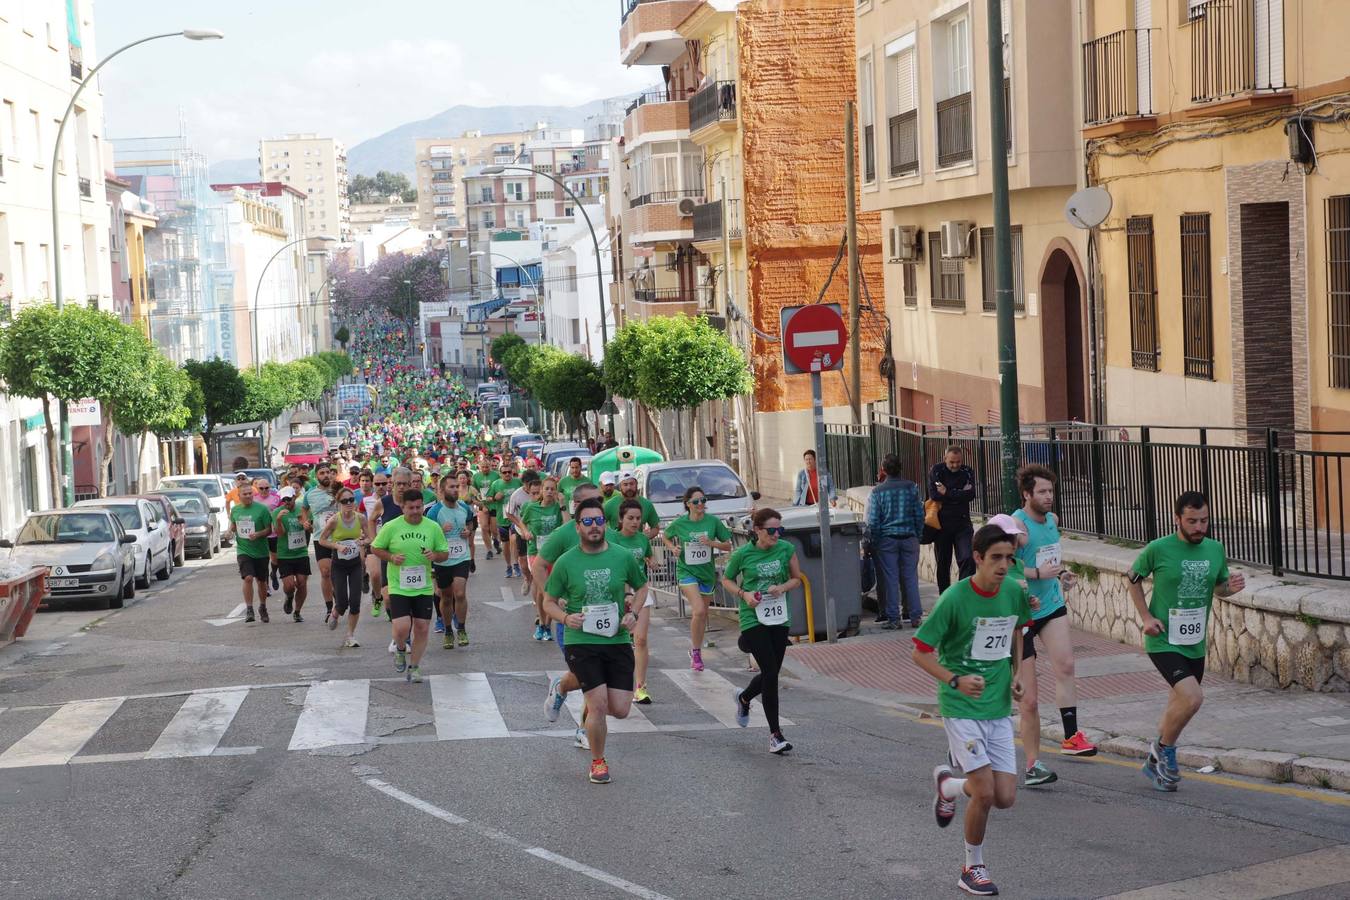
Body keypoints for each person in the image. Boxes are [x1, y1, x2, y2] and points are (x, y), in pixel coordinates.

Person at [915, 524, 1032, 898]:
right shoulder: (954, 599)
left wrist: (1015, 674)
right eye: (995, 558)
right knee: (983, 794)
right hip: (961, 706)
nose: (1003, 565)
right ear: (977, 558)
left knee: (1005, 798)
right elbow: (919, 652)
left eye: (1009, 558)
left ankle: (948, 786)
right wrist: (954, 681)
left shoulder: (1013, 591)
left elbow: (1017, 632)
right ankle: (972, 867)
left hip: (997, 707)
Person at [1129, 491, 1245, 792]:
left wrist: (1230, 588)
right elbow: (1131, 578)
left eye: (1204, 521)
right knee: (1193, 698)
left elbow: (1219, 589)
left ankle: (1153, 765)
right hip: (1163, 640)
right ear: (1177, 519)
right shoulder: (1158, 549)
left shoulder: (1215, 549)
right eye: (1192, 521)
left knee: (1178, 706)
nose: (1199, 527)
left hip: (1194, 641)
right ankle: (1165, 751)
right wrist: (1145, 618)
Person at [542, 496, 648, 784]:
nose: (594, 526)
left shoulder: (622, 556)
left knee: (620, 709)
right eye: (587, 521)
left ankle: (563, 684)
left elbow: (641, 587)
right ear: (577, 527)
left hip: (615, 639)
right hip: (582, 640)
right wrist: (565, 619)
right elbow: (549, 601)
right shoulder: (566, 562)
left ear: (605, 524)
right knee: (598, 705)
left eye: (598, 521)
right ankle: (598, 762)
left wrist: (634, 614)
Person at [1008, 465, 1096, 790]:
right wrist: (1036, 575)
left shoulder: (1053, 521)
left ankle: (1071, 735)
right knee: (1028, 700)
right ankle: (1032, 764)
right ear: (1027, 494)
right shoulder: (1018, 526)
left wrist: (1061, 575)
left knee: (1067, 665)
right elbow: (1007, 566)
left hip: (1052, 603)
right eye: (1042, 492)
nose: (1048, 497)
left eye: (1051, 491)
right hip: (1022, 615)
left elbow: (1050, 560)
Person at [723, 507, 802, 754]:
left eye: (780, 529)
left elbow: (796, 579)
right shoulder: (743, 554)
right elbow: (726, 579)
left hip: (779, 616)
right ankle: (775, 735)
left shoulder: (786, 549)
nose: (777, 534)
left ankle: (744, 698)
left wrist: (783, 587)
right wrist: (744, 594)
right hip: (752, 617)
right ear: (757, 531)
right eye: (771, 530)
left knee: (772, 672)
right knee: (769, 671)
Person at [540, 482, 603, 748]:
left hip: (604, 619)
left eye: (599, 502)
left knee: (598, 676)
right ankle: (582, 726)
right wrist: (552, 598)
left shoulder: (604, 532)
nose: (597, 509)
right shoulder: (564, 534)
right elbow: (539, 565)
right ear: (576, 508)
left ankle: (564, 688)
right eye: (590, 503)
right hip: (573, 620)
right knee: (591, 676)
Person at [370, 488, 450, 683]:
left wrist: (435, 556)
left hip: (423, 586)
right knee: (402, 627)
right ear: (402, 507)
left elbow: (444, 553)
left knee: (422, 628)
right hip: (399, 586)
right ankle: (399, 648)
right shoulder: (391, 526)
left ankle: (414, 667)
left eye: (418, 507)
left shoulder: (432, 527)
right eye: (411, 508)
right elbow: (375, 547)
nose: (415, 511)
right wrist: (391, 557)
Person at [661, 485, 732, 672]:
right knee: (699, 611)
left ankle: (696, 651)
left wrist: (711, 543)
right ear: (688, 504)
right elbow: (665, 536)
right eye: (696, 501)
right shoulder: (680, 523)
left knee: (702, 615)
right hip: (686, 572)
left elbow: (727, 546)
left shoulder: (713, 522)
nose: (700, 504)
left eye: (703, 500)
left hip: (706, 574)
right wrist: (672, 548)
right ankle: (696, 651)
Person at [865, 452, 925, 630]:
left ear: (883, 470)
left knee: (890, 579)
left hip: (887, 540)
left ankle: (893, 619)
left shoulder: (877, 492)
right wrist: (918, 535)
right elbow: (919, 514)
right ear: (900, 468)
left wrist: (872, 542)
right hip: (909, 538)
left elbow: (874, 521)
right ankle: (915, 617)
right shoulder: (911, 487)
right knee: (910, 578)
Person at [608, 499, 655, 703]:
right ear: (621, 519)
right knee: (615, 642)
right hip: (617, 594)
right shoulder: (613, 540)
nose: (635, 522)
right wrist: (624, 593)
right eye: (630, 518)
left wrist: (652, 562)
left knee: (641, 639)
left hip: (640, 591)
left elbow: (648, 557)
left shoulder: (643, 540)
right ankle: (612, 684)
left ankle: (640, 687)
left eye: (638, 518)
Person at [426, 475, 474, 650]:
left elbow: (470, 523)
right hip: (443, 559)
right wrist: (439, 530)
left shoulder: (464, 507)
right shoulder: (434, 512)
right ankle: (447, 631)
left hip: (462, 556)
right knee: (446, 596)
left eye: (457, 487)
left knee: (460, 593)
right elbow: (427, 536)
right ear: (442, 490)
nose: (455, 489)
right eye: (451, 487)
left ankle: (461, 628)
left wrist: (467, 532)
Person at [317, 487, 366, 647]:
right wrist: (337, 546)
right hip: (338, 564)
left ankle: (350, 635)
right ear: (339, 503)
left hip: (355, 564)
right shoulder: (334, 520)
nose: (349, 503)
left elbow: (372, 537)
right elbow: (322, 540)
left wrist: (362, 542)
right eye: (345, 501)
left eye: (351, 500)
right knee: (343, 602)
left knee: (355, 601)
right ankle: (336, 612)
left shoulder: (360, 518)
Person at [519, 475, 566, 641]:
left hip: (554, 554)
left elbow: (567, 525)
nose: (549, 492)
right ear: (541, 491)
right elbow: (521, 522)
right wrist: (525, 532)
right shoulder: (532, 508)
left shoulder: (558, 508)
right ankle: (541, 623)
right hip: (535, 552)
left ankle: (547, 626)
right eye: (547, 489)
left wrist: (562, 505)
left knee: (551, 589)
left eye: (553, 489)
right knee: (541, 589)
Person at [929, 445, 977, 594]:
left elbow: (970, 495)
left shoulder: (967, 472)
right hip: (942, 524)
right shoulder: (936, 471)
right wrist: (958, 493)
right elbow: (935, 495)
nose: (955, 465)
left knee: (967, 558)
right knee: (943, 562)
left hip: (962, 523)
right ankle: (944, 595)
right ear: (945, 459)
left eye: (958, 462)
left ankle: (964, 593)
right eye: (952, 462)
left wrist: (947, 493)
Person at [228, 481, 274, 624]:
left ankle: (263, 607)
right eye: (245, 494)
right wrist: (230, 531)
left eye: (250, 494)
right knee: (248, 578)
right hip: (244, 549)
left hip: (260, 551)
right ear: (239, 495)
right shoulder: (235, 510)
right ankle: (249, 609)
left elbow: (269, 530)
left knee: (261, 581)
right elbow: (233, 526)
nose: (248, 496)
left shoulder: (262, 509)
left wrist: (258, 534)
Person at [301, 464, 341, 625]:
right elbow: (304, 509)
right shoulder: (310, 494)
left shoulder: (339, 490)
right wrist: (305, 522)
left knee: (338, 573)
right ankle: (329, 607)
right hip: (320, 538)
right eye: (322, 473)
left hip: (340, 537)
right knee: (325, 572)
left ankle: (340, 596)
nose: (326, 475)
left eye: (328, 472)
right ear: (316, 476)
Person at [271, 487, 311, 622]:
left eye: (289, 499)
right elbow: (280, 534)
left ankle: (297, 611)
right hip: (285, 554)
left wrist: (305, 525)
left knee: (302, 583)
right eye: (284, 500)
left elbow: (311, 529)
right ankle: (289, 597)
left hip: (301, 552)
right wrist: (278, 520)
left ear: (295, 496)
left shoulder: (302, 509)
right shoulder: (277, 512)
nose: (287, 502)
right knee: (289, 586)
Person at [488, 460, 523, 577]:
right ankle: (508, 566)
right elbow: (487, 498)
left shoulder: (518, 482)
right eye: (504, 472)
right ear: (500, 474)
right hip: (502, 518)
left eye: (509, 472)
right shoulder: (496, 484)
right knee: (506, 545)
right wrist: (494, 498)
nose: (507, 474)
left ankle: (516, 564)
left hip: (516, 518)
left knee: (514, 541)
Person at [602, 470, 659, 537]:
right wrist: (610, 537)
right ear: (620, 487)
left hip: (637, 546)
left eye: (631, 484)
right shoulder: (610, 504)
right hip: (617, 545)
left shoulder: (647, 504)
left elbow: (655, 528)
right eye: (625, 485)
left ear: (637, 484)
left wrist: (644, 539)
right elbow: (599, 524)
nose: (629, 487)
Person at [472, 456, 500, 559]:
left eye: (487, 467)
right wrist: (479, 503)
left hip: (494, 504)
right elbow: (474, 492)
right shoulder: (476, 477)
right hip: (482, 504)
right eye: (483, 467)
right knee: (484, 527)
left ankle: (496, 540)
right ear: (479, 467)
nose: (485, 469)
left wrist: (494, 497)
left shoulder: (496, 475)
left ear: (490, 466)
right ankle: (489, 550)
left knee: (494, 529)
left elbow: (499, 488)